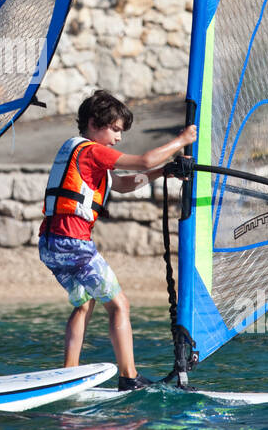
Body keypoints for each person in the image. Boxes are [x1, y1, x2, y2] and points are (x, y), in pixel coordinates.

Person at [39, 89, 196, 391]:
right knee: (119, 305)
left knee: (84, 304)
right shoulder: (92, 150)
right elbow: (144, 159)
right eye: (114, 129)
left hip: (50, 243)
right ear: (93, 123)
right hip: (73, 243)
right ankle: (129, 376)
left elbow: (122, 184)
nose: (118, 138)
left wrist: (164, 171)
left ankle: (67, 375)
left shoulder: (79, 155)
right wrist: (182, 140)